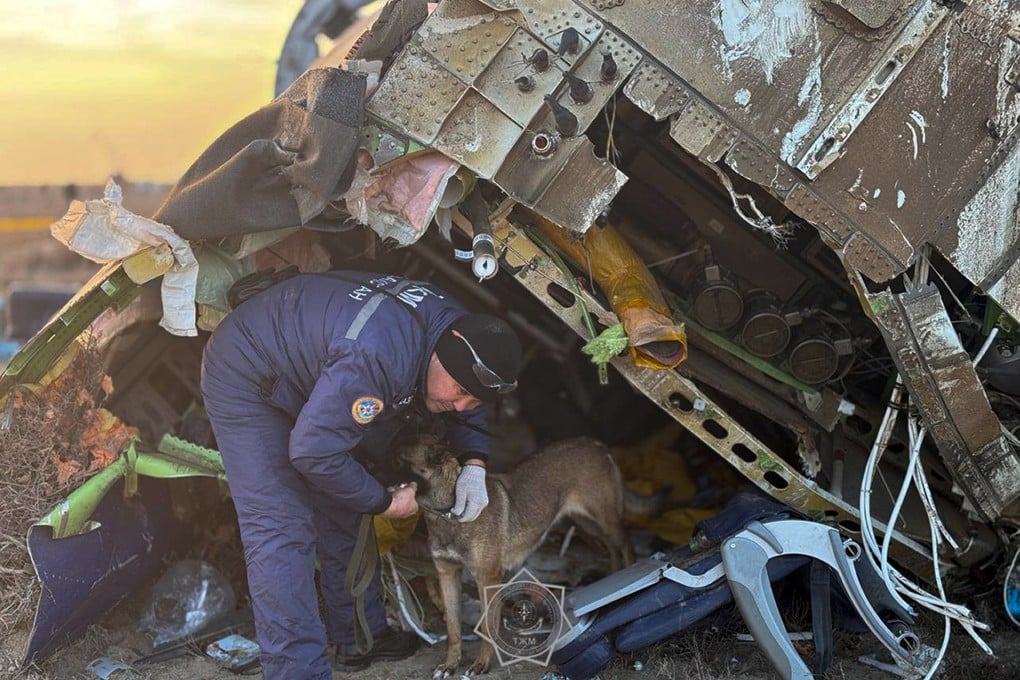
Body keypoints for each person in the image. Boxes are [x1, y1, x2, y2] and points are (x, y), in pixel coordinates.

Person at [200, 270, 523, 680]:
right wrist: (386, 502)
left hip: (313, 366)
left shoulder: (459, 332)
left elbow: (470, 397)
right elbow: (313, 452)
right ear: (442, 357)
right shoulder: (378, 358)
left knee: (343, 498)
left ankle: (359, 638)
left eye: (473, 399)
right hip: (247, 370)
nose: (463, 407)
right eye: (460, 394)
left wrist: (475, 461)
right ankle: (298, 672)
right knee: (280, 526)